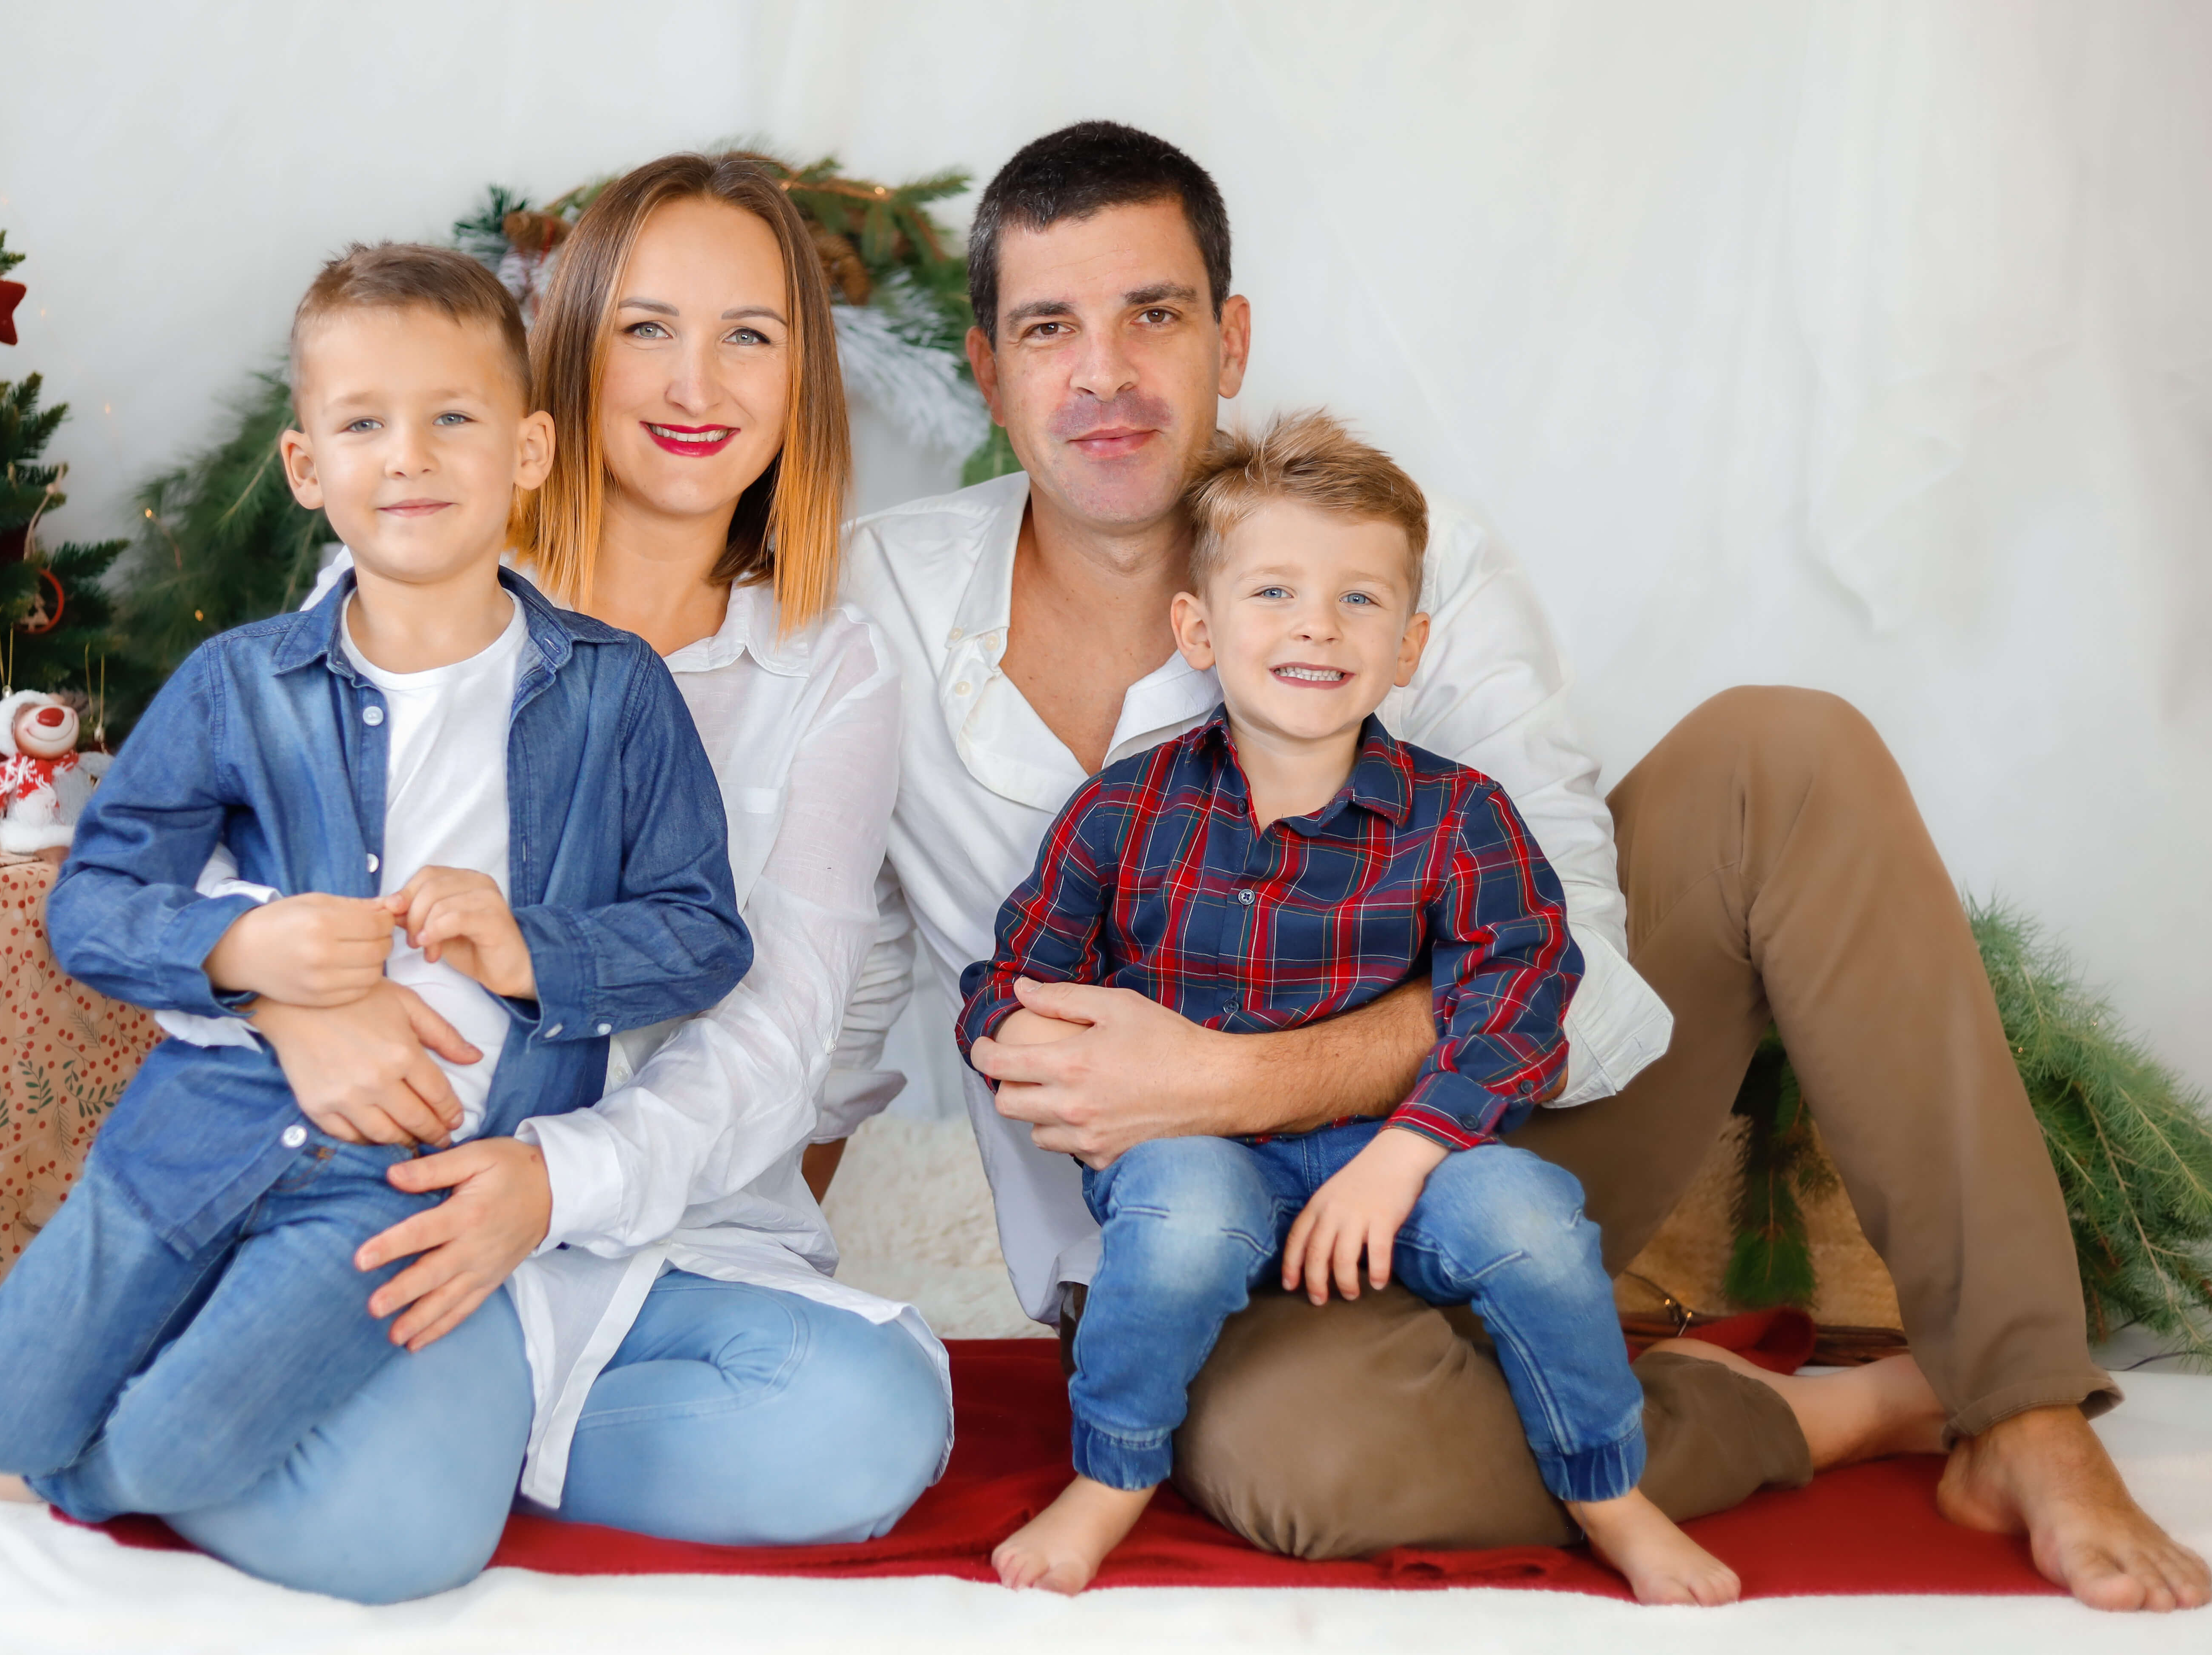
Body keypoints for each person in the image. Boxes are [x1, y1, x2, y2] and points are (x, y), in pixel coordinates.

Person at [834, 120, 2209, 1612]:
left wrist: (1250, 1081)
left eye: (1152, 313)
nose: (1104, 371)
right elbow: (839, 1008)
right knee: (1316, 1469)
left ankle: (2024, 1413)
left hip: (1484, 1151)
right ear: (989, 368)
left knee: (1784, 754)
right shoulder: (881, 602)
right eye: (1051, 327)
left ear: (1229, 339)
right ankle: (1821, 1411)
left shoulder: (1410, 575)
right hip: (1187, 1253)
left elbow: (1590, 981)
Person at [103, 153, 951, 1602]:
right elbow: (214, 895)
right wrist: (301, 1015)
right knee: (395, 1548)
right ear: (567, 360)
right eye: (646, 328)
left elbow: (783, 1014)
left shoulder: (828, 664)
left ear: (801, 378)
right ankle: (188, 1428)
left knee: (872, 1429)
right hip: (407, 1189)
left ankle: (429, 1426)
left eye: (750, 335)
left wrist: (551, 1184)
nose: (698, 383)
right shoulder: (410, 578)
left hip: (659, 1226)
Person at [0, 243, 754, 1521]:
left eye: (452, 418)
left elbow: (702, 935)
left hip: (402, 1182)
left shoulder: (615, 690)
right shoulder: (237, 683)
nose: (409, 457)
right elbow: (90, 901)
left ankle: (93, 1474)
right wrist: (246, 953)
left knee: (171, 1457)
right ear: (309, 468)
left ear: (529, 452)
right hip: (202, 1125)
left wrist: (532, 947)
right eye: (365, 423)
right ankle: (40, 1428)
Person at [967, 409, 1762, 1603]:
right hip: (1196, 1151)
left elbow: (1525, 982)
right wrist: (1019, 1037)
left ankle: (1610, 1485)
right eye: (1275, 591)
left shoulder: (1459, 816)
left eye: (1359, 601)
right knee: (1178, 1217)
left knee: (1535, 1218)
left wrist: (1410, 1150)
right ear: (1199, 627)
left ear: (1410, 645)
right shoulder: (1123, 815)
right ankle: (1112, 1473)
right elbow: (1017, 970)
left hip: (1392, 1144)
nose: (1315, 628)